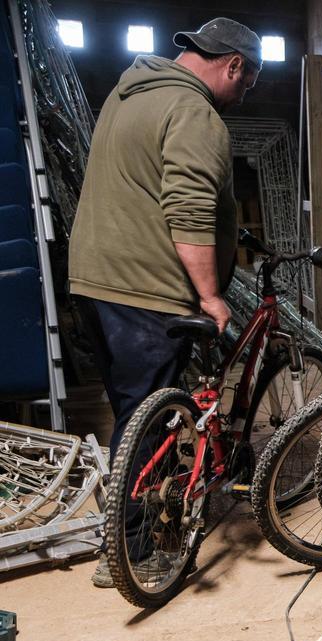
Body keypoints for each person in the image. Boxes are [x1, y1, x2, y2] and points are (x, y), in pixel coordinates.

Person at [69, 18, 261, 587]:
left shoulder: (130, 93)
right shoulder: (195, 112)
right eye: (246, 84)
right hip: (145, 287)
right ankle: (130, 553)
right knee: (147, 421)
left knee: (131, 412)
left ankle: (125, 525)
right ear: (232, 66)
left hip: (95, 280)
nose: (242, 94)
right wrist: (209, 294)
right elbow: (188, 206)